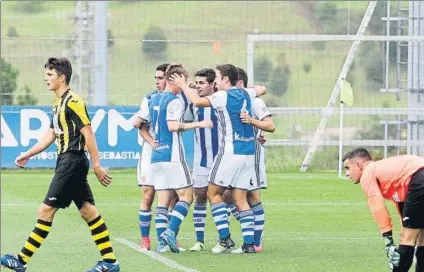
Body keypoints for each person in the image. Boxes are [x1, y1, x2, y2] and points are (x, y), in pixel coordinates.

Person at [1, 58, 120, 272]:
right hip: (66, 161)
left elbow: (88, 132)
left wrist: (97, 164)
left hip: (72, 161)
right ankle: (110, 262)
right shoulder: (57, 103)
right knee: (87, 211)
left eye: (49, 75)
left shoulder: (73, 101)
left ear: (61, 77)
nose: (46, 78)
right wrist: (28, 154)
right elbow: (51, 134)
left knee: (45, 210)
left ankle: (21, 260)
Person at [170, 63, 267, 254]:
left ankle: (225, 238)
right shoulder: (246, 93)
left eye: (217, 76)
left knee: (213, 193)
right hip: (248, 153)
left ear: (224, 79)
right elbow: (262, 89)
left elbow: (197, 102)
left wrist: (182, 84)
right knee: (240, 198)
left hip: (229, 153)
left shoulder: (223, 96)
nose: (215, 80)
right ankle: (249, 244)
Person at [148, 63, 213, 253]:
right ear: (176, 79)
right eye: (183, 80)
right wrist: (199, 124)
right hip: (173, 155)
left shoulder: (155, 99)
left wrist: (188, 86)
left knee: (163, 200)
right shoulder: (175, 100)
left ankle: (161, 244)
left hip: (157, 156)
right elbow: (173, 126)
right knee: (187, 196)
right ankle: (169, 232)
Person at [343, 148, 424, 271]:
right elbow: (401, 200)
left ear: (358, 165)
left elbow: (377, 207)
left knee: (407, 238)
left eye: (347, 168)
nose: (347, 174)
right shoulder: (387, 171)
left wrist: (388, 242)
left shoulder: (367, 173)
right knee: (422, 237)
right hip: (418, 177)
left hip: (419, 178)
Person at [228, 67, 275, 253]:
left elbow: (270, 125)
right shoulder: (234, 102)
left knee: (252, 196)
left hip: (253, 155)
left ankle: (256, 242)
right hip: (238, 156)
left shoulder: (254, 102)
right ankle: (253, 233)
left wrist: (253, 123)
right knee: (229, 196)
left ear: (240, 84)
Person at [132, 63, 168, 251]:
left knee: (171, 197)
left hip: (169, 153)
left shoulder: (176, 99)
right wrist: (152, 141)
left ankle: (168, 237)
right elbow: (140, 125)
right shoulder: (149, 99)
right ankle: (145, 239)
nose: (157, 81)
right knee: (148, 193)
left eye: (160, 77)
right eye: (156, 78)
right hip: (149, 153)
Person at [183, 68, 219, 251]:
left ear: (213, 84)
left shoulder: (220, 100)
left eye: (202, 83)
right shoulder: (193, 104)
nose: (198, 86)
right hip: (201, 160)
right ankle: (199, 240)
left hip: (221, 159)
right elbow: (185, 123)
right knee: (200, 197)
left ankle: (223, 239)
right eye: (196, 83)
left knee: (223, 198)